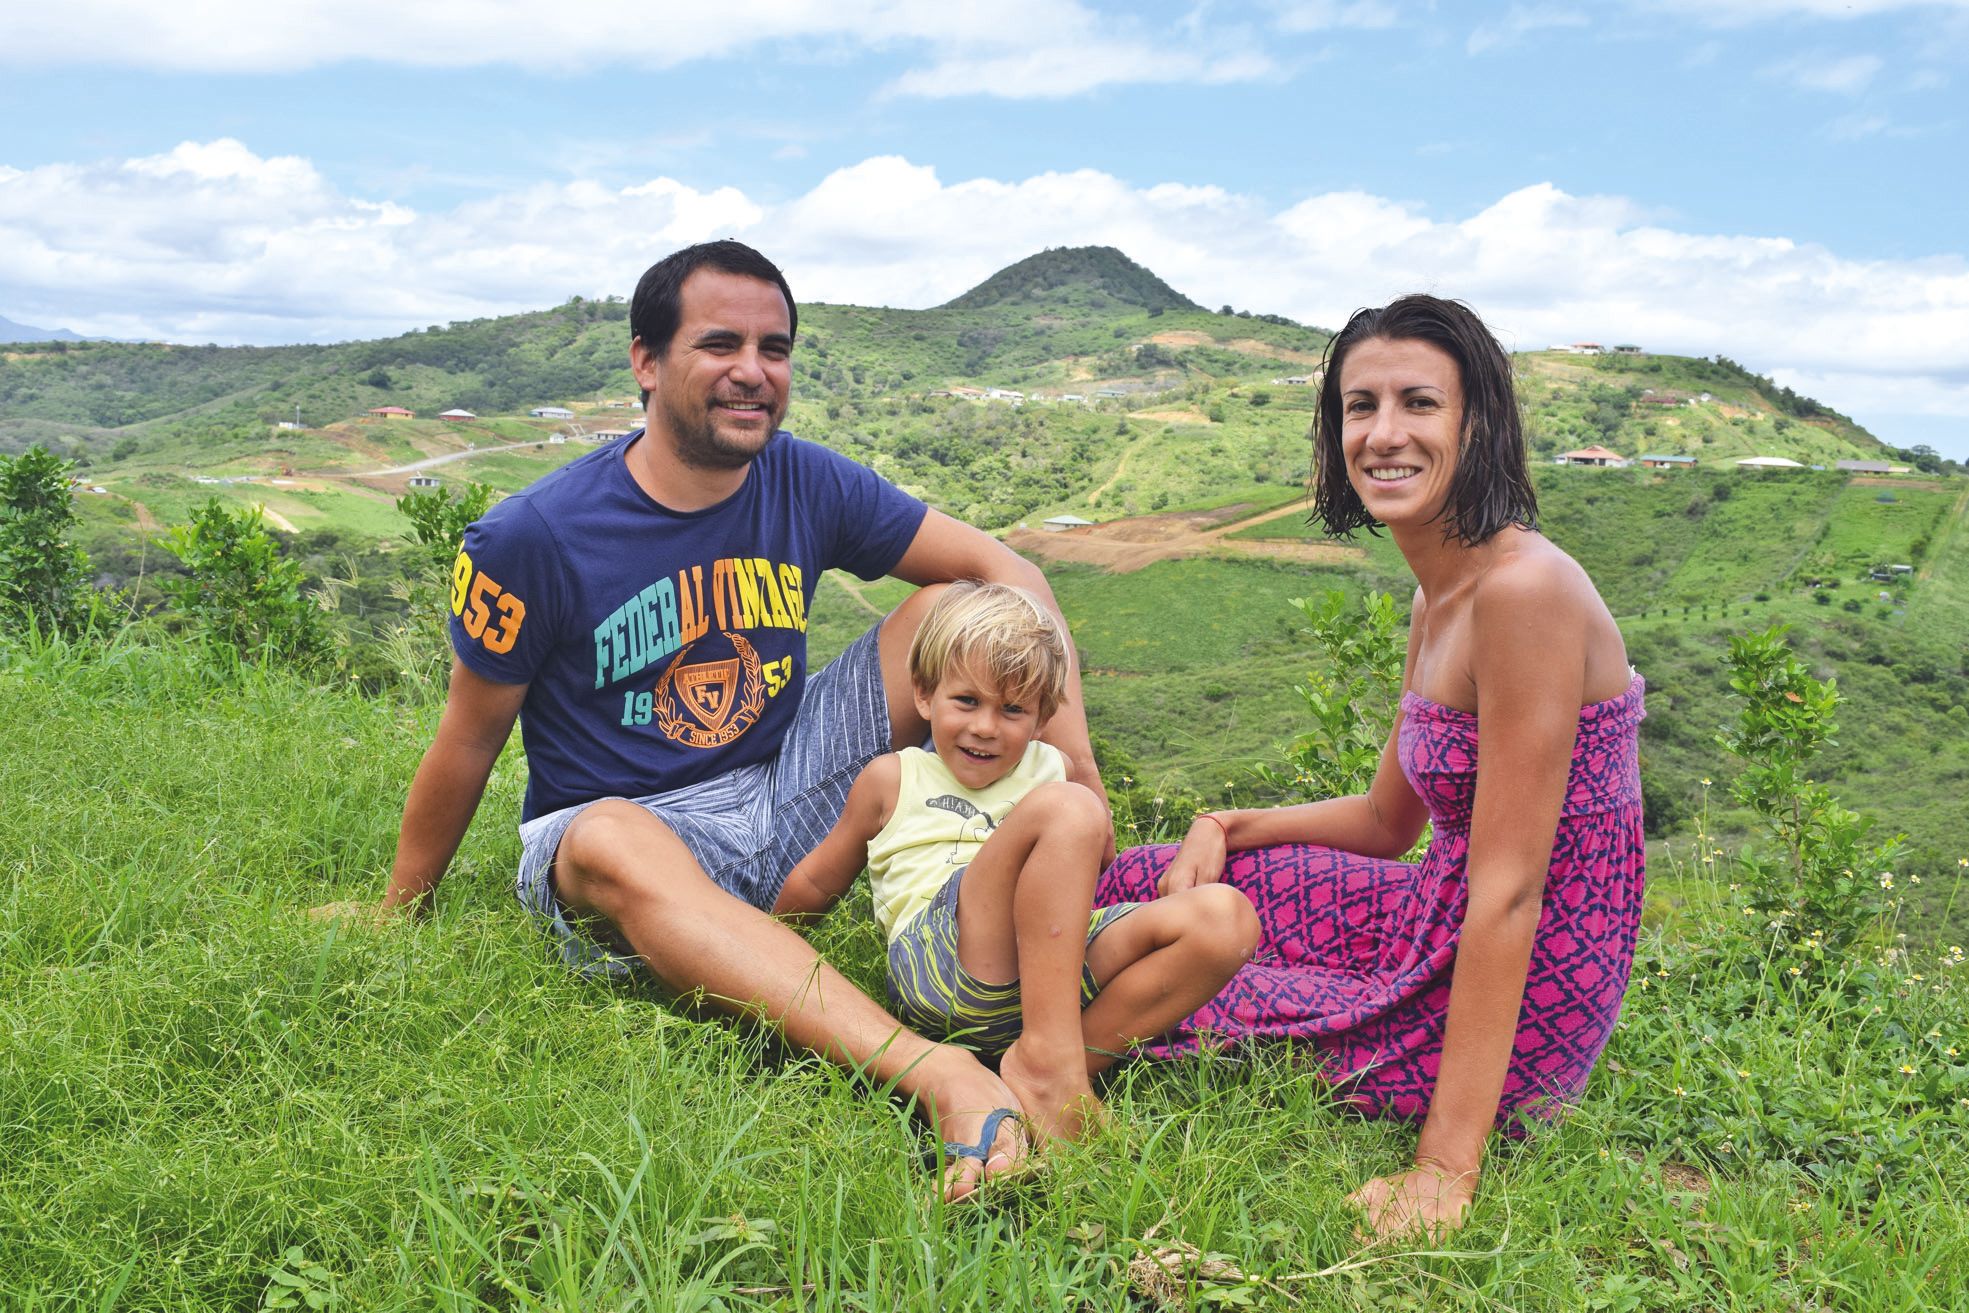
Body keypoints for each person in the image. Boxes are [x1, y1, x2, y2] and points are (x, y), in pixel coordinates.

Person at [341, 240, 1113, 1201]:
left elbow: (1015, 578)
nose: (753, 370)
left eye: (774, 347)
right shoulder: (532, 535)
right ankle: (938, 1071)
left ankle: (1002, 869)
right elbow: (468, 736)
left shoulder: (805, 479)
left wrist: (1074, 765)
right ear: (646, 360)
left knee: (956, 599)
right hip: (627, 825)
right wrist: (399, 906)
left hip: (784, 785)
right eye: (719, 343)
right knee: (607, 834)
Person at [1093, 294, 1645, 1241]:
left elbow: (1510, 893)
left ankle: (1037, 1025)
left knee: (1198, 995)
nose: (1383, 433)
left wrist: (1441, 1169)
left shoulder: (1524, 592)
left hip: (1527, 979)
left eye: (1418, 403)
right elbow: (1391, 822)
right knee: (1148, 877)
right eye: (1360, 406)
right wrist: (1226, 825)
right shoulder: (1444, 591)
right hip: (1432, 905)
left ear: (1477, 423)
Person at [777, 581, 1259, 1144]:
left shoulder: (1051, 769)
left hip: (1042, 974)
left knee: (1226, 921)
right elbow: (815, 879)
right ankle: (1049, 1066)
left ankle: (1046, 1074)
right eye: (966, 701)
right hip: (944, 963)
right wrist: (772, 942)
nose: (985, 726)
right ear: (925, 695)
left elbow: (1092, 865)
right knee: (1069, 809)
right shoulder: (895, 776)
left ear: (1042, 716)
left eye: (1012, 710)